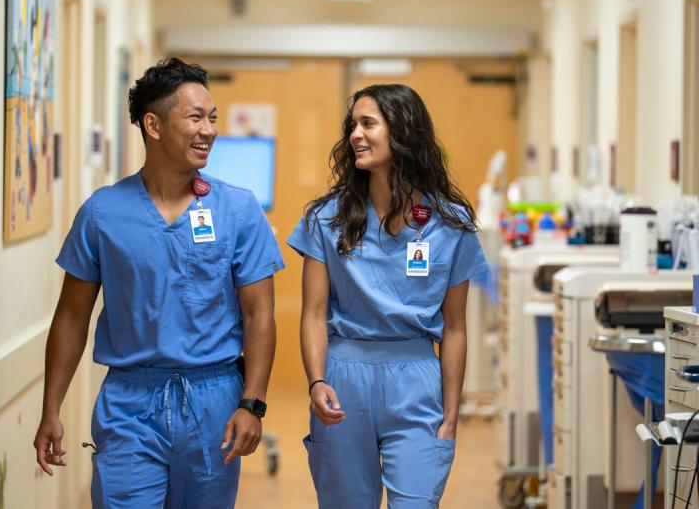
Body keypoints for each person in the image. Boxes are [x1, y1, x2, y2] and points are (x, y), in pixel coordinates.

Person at [33, 58, 284, 508]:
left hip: (215, 401)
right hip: (130, 401)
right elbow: (71, 316)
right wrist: (51, 407)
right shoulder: (102, 212)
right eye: (195, 118)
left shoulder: (239, 211)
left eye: (212, 118)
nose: (208, 130)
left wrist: (253, 403)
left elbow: (258, 313)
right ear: (153, 124)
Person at [287, 84, 487, 508]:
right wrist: (317, 379)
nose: (355, 135)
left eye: (368, 124)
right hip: (343, 380)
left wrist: (451, 416)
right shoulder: (327, 218)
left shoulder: (450, 224)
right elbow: (313, 314)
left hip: (416, 383)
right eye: (352, 125)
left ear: (403, 131)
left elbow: (454, 327)